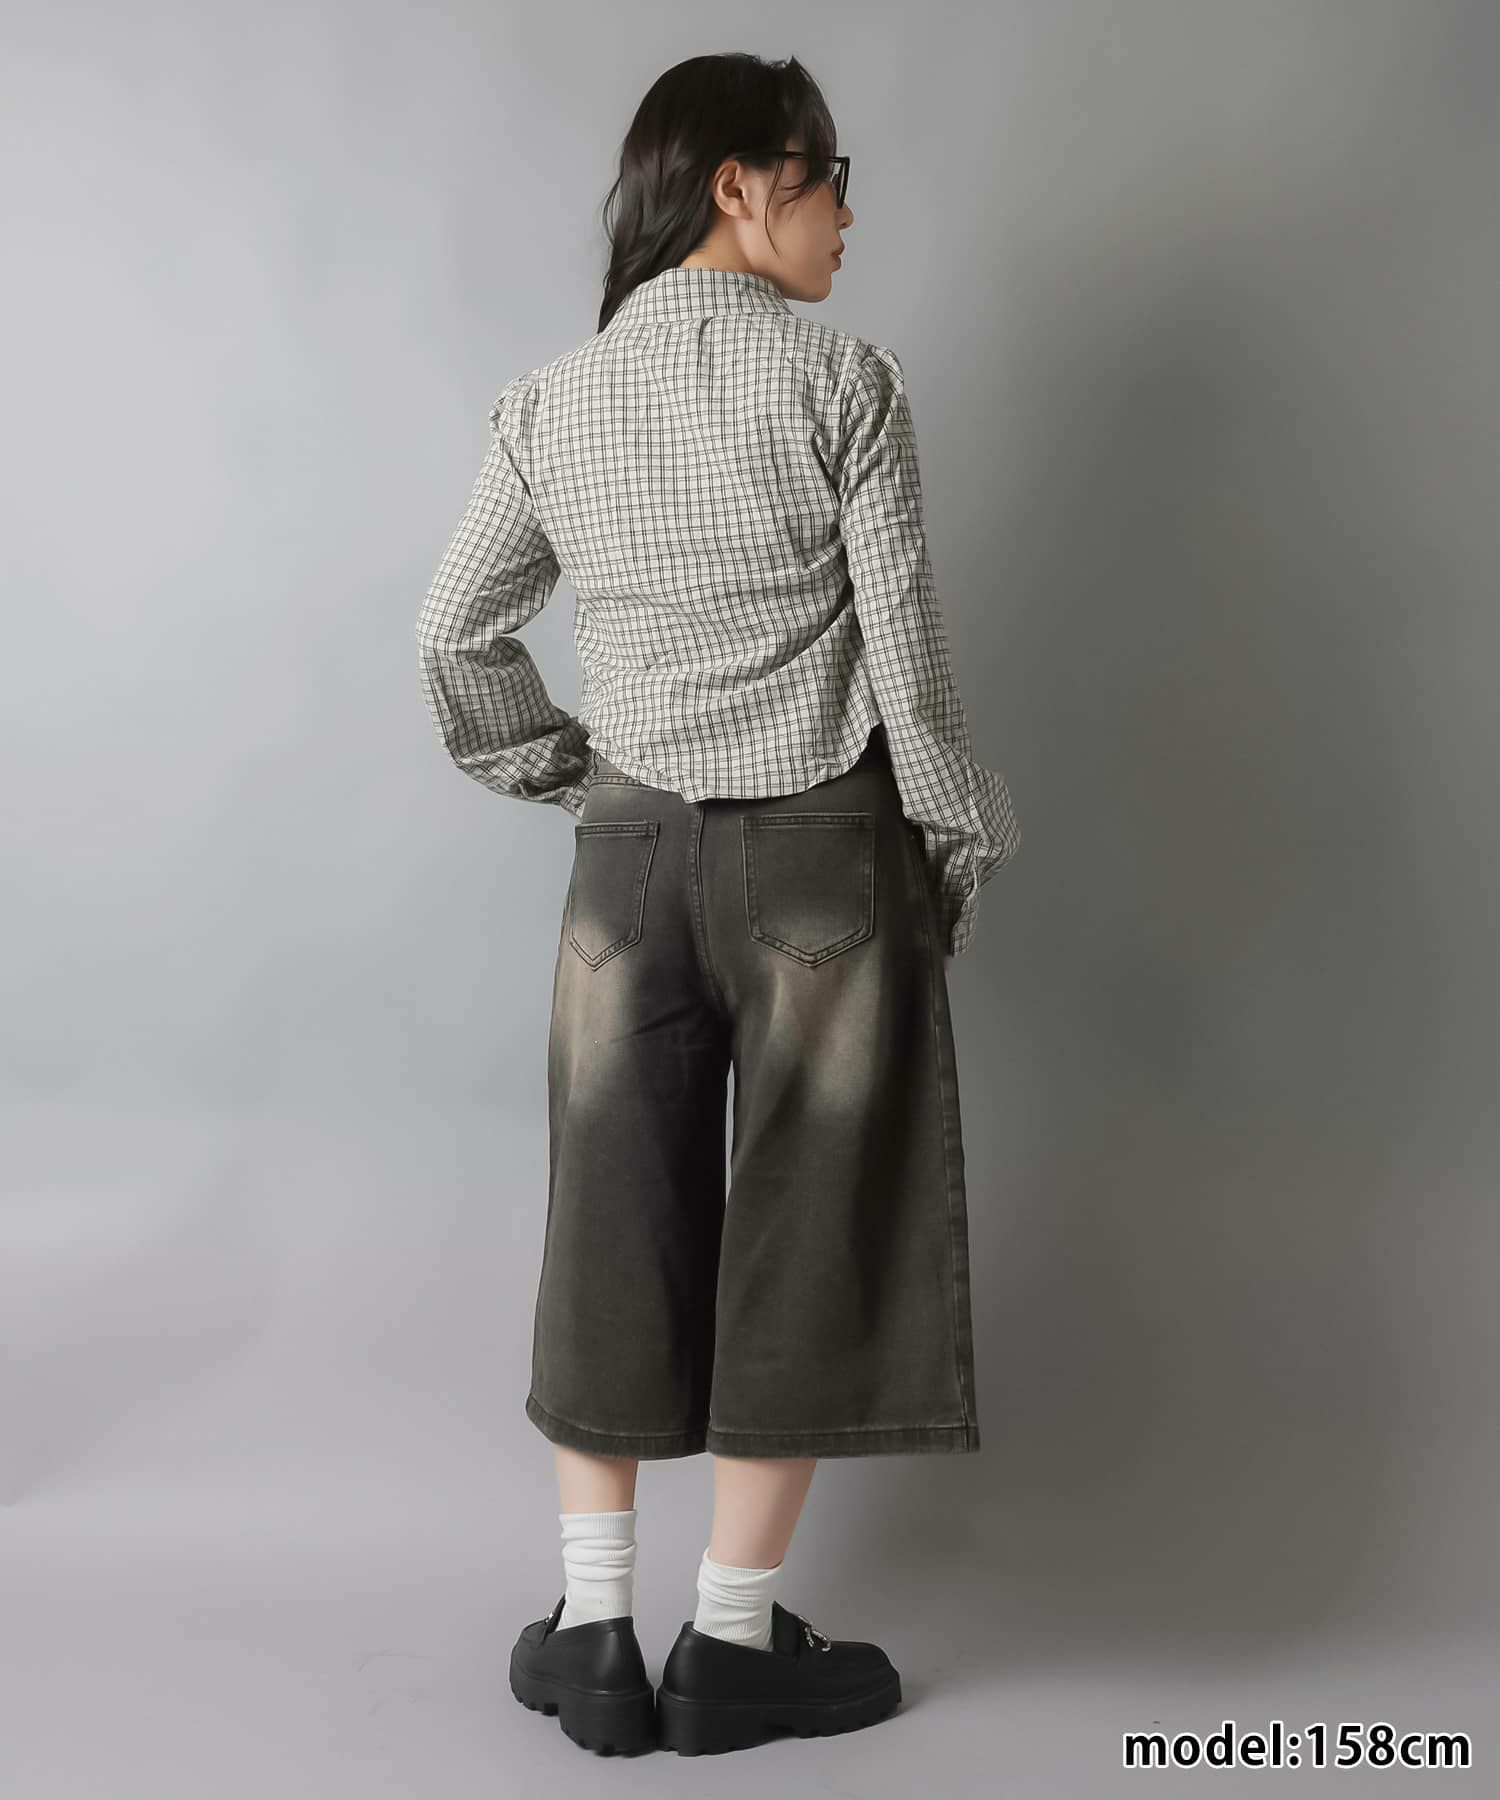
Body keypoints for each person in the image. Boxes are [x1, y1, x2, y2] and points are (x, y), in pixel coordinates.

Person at [415, 50, 1021, 1758]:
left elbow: (454, 634)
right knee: (813, 1218)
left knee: (609, 1215)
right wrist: (959, 844)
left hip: (625, 858)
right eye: (831, 179)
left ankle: (594, 1635)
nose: (849, 217)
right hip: (823, 852)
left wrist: (570, 779)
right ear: (743, 184)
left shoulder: (550, 402)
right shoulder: (845, 382)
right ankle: (734, 1646)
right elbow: (908, 667)